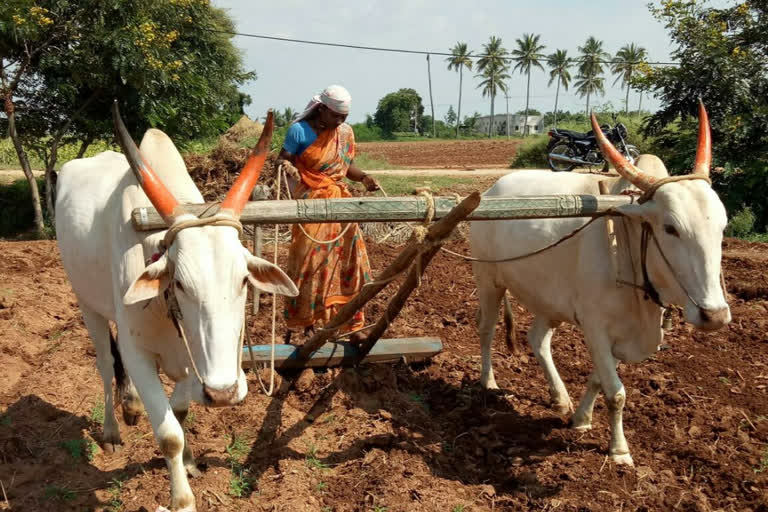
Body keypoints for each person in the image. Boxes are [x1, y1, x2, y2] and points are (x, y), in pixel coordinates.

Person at [277, 85, 380, 344]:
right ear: (321, 109)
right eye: (336, 116)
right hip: (310, 204)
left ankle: (349, 323)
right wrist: (287, 166)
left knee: (347, 263)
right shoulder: (298, 131)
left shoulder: (345, 133)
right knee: (309, 264)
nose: (341, 121)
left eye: (344, 117)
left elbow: (347, 167)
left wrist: (365, 178)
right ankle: (309, 325)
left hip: (340, 207)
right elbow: (282, 160)